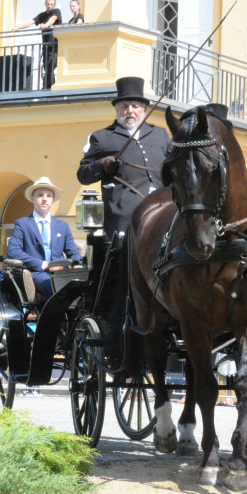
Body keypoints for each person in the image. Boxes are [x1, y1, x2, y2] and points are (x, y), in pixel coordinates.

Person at [76, 76, 171, 355]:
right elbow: (82, 174)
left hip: (165, 211)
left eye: (135, 106)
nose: (130, 111)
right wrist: (102, 165)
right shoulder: (102, 137)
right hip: (125, 217)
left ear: (144, 109)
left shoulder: (160, 135)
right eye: (124, 106)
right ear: (117, 110)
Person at [6, 176, 81, 300]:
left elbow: (73, 252)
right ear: (32, 198)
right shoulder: (23, 224)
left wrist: (78, 266)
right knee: (54, 287)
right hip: (37, 273)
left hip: (61, 272)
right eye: (40, 195)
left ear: (53, 200)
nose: (44, 199)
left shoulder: (62, 226)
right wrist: (42, 264)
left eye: (49, 196)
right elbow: (13, 251)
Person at [13, 0, 61, 89]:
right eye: (48, 4)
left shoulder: (56, 11)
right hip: (45, 47)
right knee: (47, 68)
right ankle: (52, 87)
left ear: (54, 5)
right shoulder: (42, 15)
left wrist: (45, 25)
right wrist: (17, 28)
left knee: (50, 66)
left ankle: (45, 87)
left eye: (51, 4)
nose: (49, 6)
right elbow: (31, 22)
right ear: (45, 4)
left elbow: (53, 19)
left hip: (54, 46)